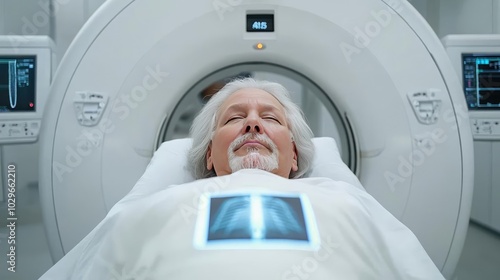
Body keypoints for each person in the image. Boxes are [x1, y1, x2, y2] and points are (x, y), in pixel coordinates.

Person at [39, 78, 445, 280]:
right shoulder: (148, 210)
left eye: (270, 118)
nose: (253, 124)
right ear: (210, 157)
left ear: (296, 157)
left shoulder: (347, 200)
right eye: (235, 119)